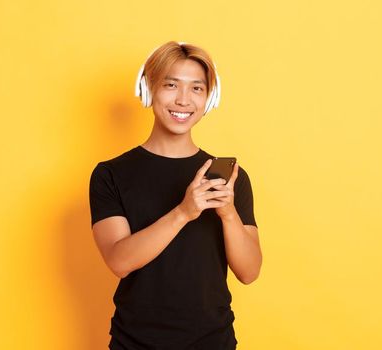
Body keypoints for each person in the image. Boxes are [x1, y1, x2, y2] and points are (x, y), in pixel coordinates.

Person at [89, 41, 262, 349]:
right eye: (171, 85)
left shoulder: (229, 177)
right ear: (148, 89)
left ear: (210, 98)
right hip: (135, 343)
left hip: (214, 342)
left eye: (196, 89)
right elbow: (119, 261)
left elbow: (249, 272)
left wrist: (227, 213)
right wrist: (184, 211)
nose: (183, 100)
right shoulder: (110, 174)